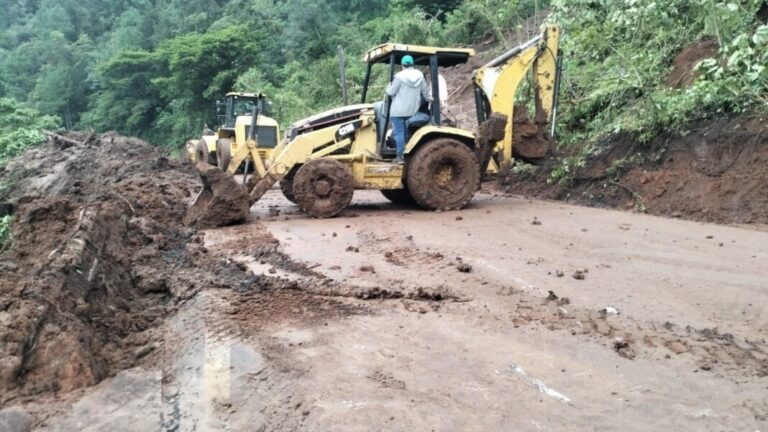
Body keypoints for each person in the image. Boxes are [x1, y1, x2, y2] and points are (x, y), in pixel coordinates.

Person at [386, 55, 431, 164]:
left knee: (399, 132)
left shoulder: (399, 76)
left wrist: (387, 88)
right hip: (412, 110)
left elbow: (391, 92)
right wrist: (430, 99)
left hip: (398, 111)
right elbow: (425, 91)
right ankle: (407, 151)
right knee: (404, 130)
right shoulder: (420, 75)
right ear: (412, 64)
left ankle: (400, 157)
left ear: (402, 65)